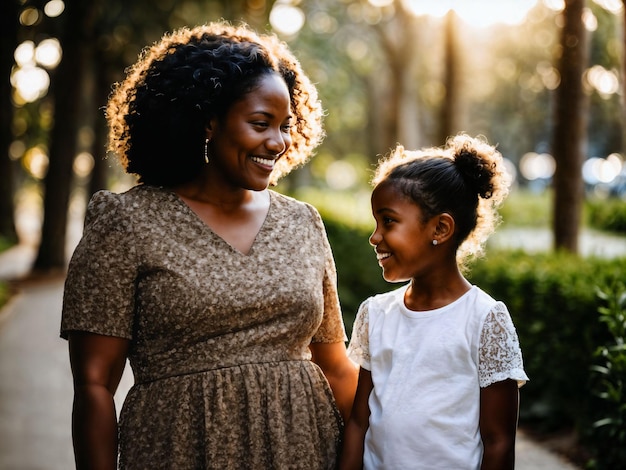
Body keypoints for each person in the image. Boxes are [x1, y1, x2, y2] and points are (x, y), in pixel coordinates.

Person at [61, 21, 358, 469]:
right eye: (261, 123)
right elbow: (94, 386)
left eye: (285, 126)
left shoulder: (302, 223)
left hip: (306, 450)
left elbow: (336, 365)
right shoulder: (126, 223)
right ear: (206, 122)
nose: (277, 143)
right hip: (179, 450)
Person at [339, 134, 529, 470]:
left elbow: (499, 443)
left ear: (440, 228)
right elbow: (358, 422)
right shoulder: (376, 314)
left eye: (389, 221)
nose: (375, 236)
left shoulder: (484, 320)